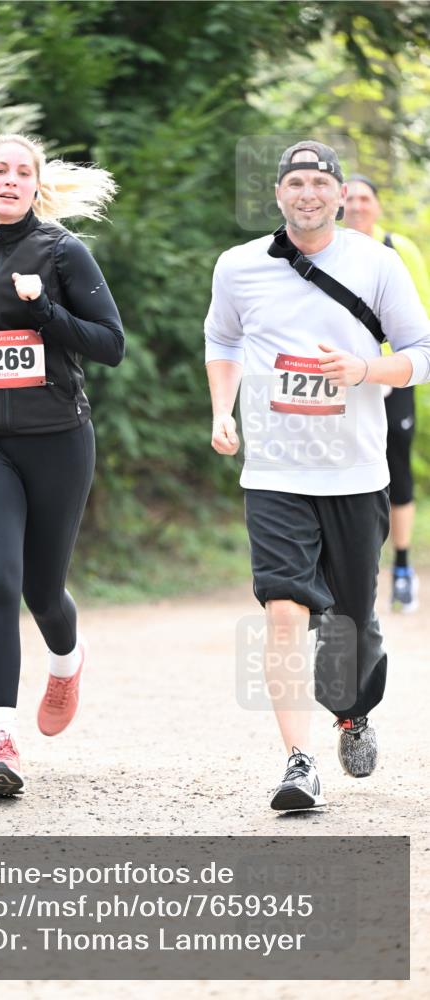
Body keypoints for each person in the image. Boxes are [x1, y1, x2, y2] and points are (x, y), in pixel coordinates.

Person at [204, 139, 430, 811]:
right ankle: (297, 762)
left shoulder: (377, 264)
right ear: (277, 194)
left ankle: (352, 713)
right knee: (282, 612)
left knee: (348, 626)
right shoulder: (238, 266)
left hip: (355, 472)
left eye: (318, 182)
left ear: (338, 195)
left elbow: (420, 353)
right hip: (273, 471)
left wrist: (362, 370)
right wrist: (222, 410)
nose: (306, 192)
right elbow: (221, 340)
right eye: (294, 182)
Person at [0, 133, 124, 797]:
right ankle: (0, 743)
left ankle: (67, 661)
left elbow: (109, 345)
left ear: (35, 187)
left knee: (42, 590)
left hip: (57, 438)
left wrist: (44, 308)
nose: (8, 180)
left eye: (21, 172)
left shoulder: (63, 252)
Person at [344, 175, 430, 612]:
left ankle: (401, 567)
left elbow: (421, 317)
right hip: (340, 378)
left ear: (377, 206)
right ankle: (353, 568)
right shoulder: (328, 250)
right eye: (349, 198)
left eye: (364, 198)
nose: (356, 205)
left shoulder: (400, 249)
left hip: (391, 374)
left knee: (396, 462)